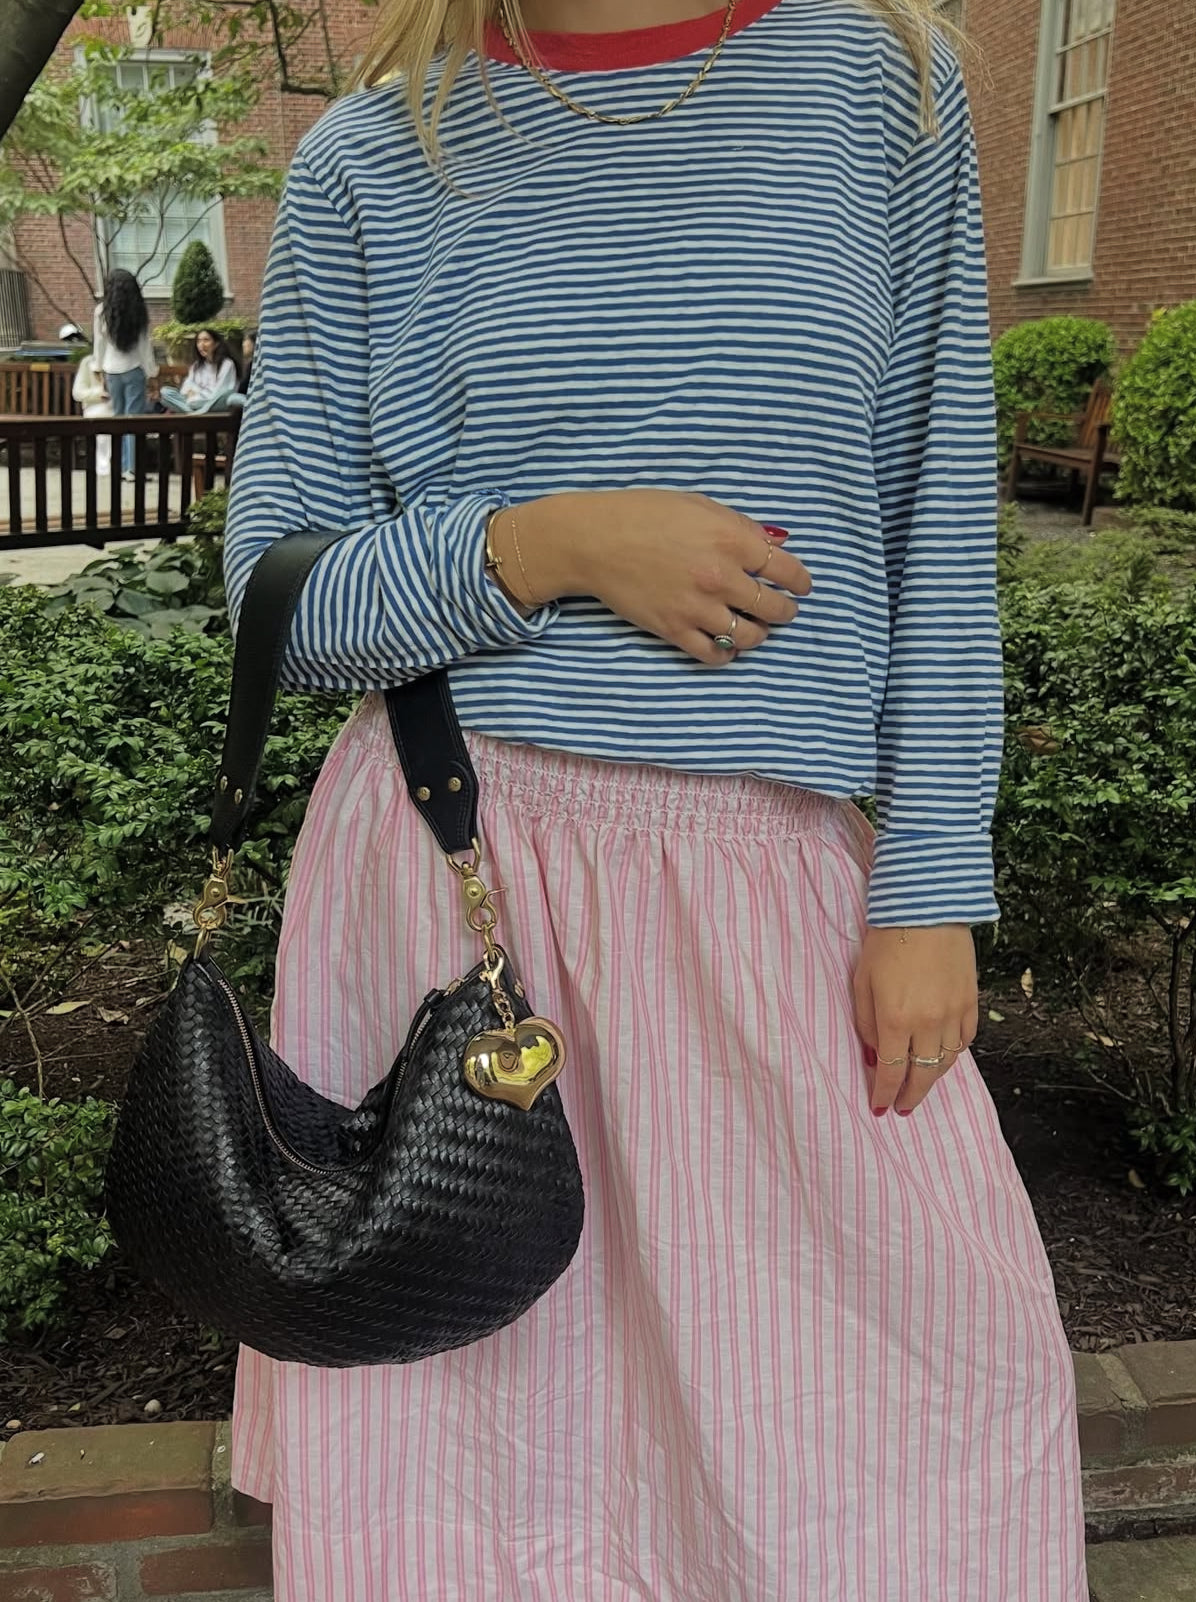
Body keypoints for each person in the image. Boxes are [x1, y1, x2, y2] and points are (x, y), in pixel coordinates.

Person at [222, 3, 1090, 1599]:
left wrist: (929, 878)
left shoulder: (872, 87)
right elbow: (283, 597)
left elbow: (931, 504)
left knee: (875, 1417)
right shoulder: (371, 156)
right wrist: (540, 544)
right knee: (475, 1430)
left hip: (764, 888)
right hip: (447, 877)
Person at [91, 269, 158, 481]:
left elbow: (99, 344)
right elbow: (145, 346)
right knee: (134, 421)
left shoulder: (101, 311)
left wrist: (98, 368)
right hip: (134, 369)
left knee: (117, 420)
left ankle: (117, 467)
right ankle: (132, 469)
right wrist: (153, 373)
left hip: (111, 371)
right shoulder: (139, 310)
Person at [158, 328, 240, 413]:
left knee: (229, 398)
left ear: (216, 344)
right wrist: (190, 392)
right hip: (194, 401)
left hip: (214, 402)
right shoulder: (196, 366)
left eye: (206, 340)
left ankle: (193, 411)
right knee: (165, 392)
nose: (201, 344)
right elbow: (187, 387)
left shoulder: (227, 364)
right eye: (199, 341)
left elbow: (222, 391)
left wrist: (197, 394)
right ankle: (196, 412)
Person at [71, 353, 114, 477]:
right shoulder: (88, 362)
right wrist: (98, 394)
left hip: (119, 406)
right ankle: (104, 467)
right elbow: (77, 392)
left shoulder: (124, 361)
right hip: (96, 406)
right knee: (103, 419)